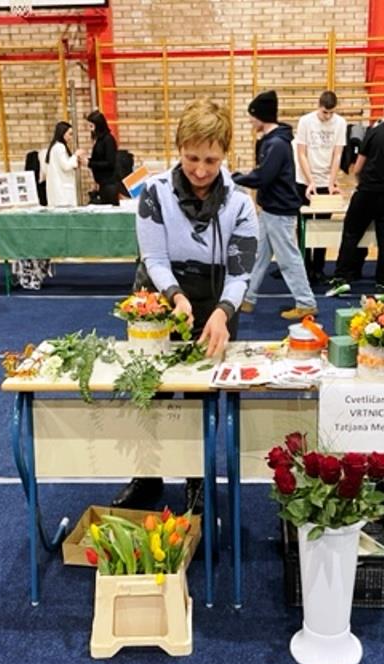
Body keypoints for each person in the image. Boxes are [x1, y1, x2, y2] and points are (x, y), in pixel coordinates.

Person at [110, 98, 258, 511]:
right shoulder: (154, 193)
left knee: (200, 397)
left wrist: (223, 313)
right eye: (192, 158)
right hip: (159, 296)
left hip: (216, 302)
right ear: (179, 150)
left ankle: (197, 476)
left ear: (225, 154)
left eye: (211, 160)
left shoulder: (241, 203)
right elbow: (154, 259)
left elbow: (240, 273)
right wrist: (175, 296)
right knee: (149, 390)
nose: (201, 170)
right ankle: (146, 475)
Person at [233, 90, 318, 321]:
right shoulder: (272, 142)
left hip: (280, 212)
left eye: (252, 116)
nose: (250, 121)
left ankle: (306, 303)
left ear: (261, 116)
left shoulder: (277, 144)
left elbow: (263, 176)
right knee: (258, 256)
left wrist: (236, 178)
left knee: (288, 259)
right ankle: (247, 298)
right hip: (271, 210)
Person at [326, 92, 384, 296]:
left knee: (351, 233)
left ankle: (341, 278)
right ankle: (383, 283)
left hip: (368, 192)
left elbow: (358, 167)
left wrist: (361, 182)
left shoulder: (374, 132)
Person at [294, 90, 347, 283]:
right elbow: (301, 153)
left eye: (331, 113)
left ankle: (318, 268)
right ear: (319, 106)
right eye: (325, 112)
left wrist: (331, 181)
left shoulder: (340, 123)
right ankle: (305, 267)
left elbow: (337, 154)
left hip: (326, 180)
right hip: (305, 180)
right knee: (304, 225)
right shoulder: (305, 121)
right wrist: (311, 181)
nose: (328, 117)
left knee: (322, 226)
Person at [42, 121, 85, 208]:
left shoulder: (55, 147)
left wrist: (76, 163)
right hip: (62, 192)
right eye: (70, 134)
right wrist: (76, 155)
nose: (71, 137)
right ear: (62, 133)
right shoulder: (59, 147)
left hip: (58, 191)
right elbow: (66, 166)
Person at [85, 110, 119, 206]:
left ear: (98, 125)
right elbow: (99, 159)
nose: (90, 129)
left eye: (91, 126)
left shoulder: (108, 140)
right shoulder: (99, 140)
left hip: (109, 185)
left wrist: (90, 163)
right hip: (102, 184)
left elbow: (110, 163)